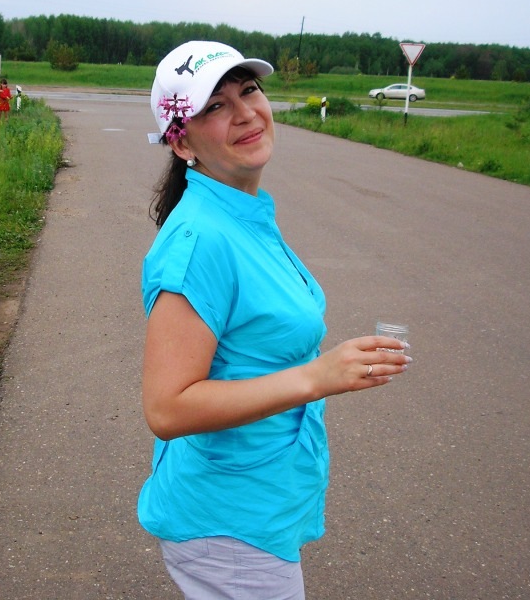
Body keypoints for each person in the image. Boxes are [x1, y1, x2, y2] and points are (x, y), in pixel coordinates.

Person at [139, 41, 411, 599]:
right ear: (182, 141)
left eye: (249, 90)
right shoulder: (200, 240)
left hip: (260, 500)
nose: (245, 113)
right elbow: (167, 408)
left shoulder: (240, 212)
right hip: (229, 524)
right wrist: (318, 376)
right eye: (215, 106)